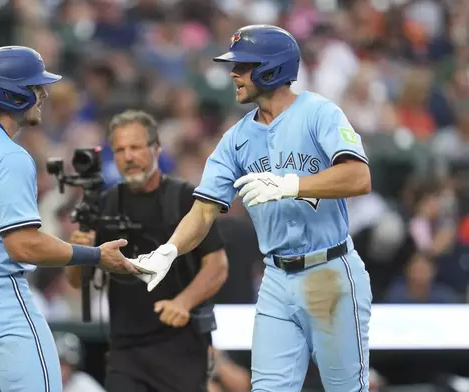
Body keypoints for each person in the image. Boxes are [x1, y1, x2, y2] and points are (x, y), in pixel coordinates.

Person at [133, 25, 373, 391]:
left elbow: (358, 177)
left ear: (271, 69)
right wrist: (169, 250)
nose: (233, 74)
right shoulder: (237, 138)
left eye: (243, 66)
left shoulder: (319, 112)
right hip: (276, 278)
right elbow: (203, 211)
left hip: (330, 270)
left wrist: (290, 185)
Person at [0, 46, 149, 392]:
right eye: (34, 87)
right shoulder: (9, 156)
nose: (42, 94)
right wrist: (97, 256)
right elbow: (23, 245)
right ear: (11, 95)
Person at [66, 109, 228, 392]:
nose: (128, 157)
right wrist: (80, 253)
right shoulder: (103, 204)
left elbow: (217, 265)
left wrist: (183, 303)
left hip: (181, 346)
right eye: (119, 150)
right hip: (125, 350)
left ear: (156, 148)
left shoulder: (184, 198)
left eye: (136, 147)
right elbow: (76, 281)